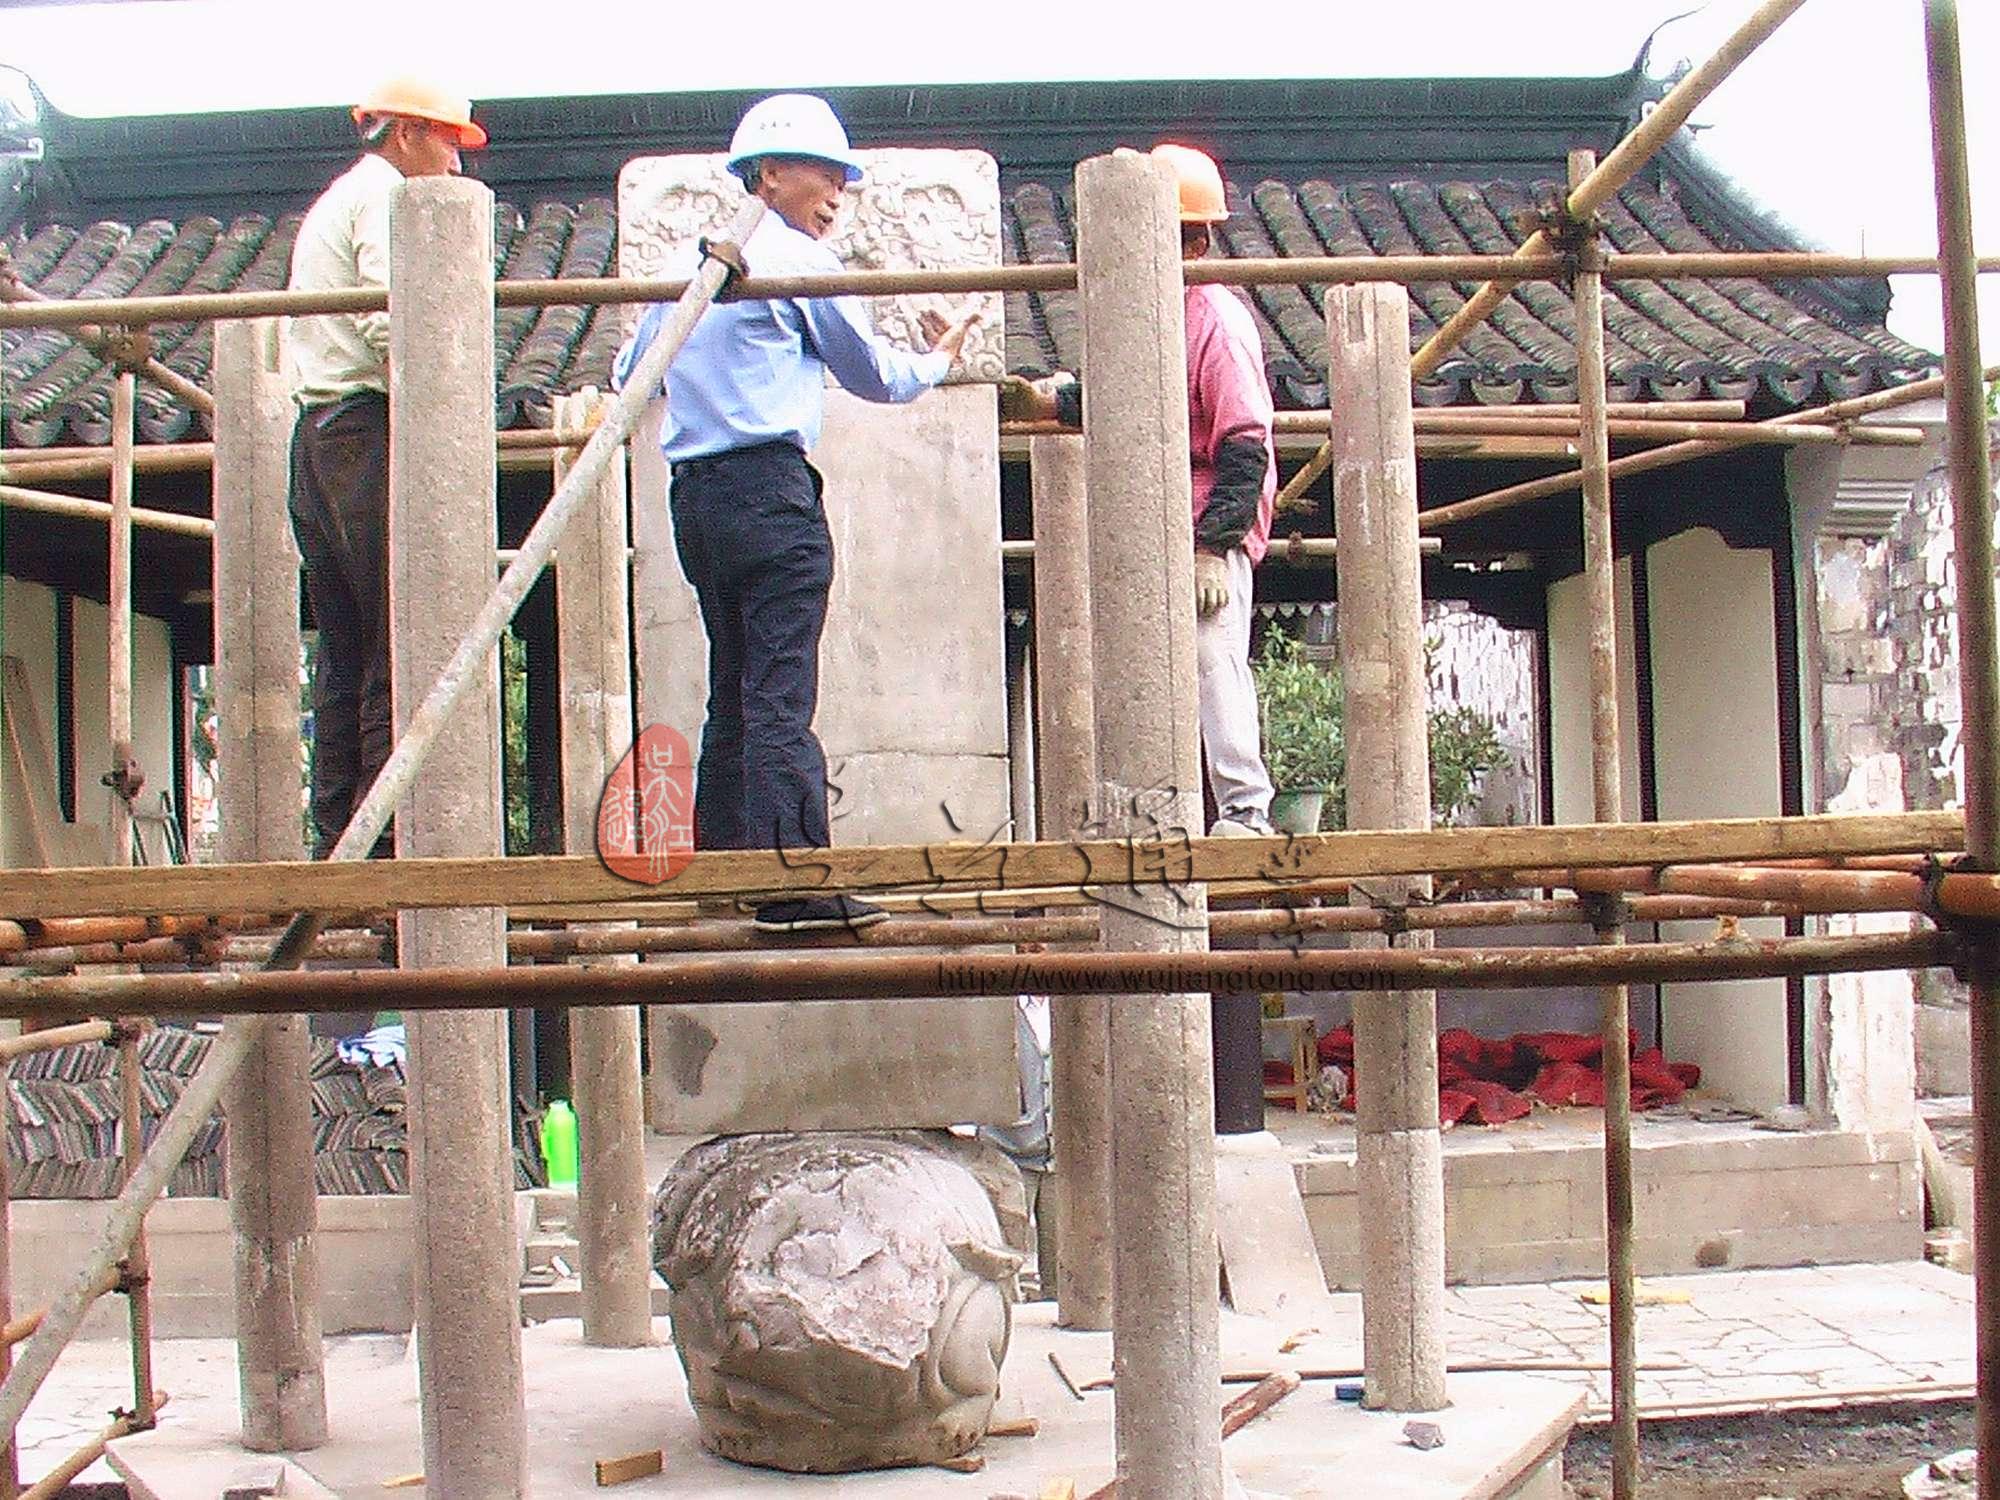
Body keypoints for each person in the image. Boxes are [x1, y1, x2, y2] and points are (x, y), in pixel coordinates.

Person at [615, 93, 978, 932]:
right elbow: (875, 376)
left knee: (734, 688)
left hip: (696, 499)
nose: (838, 193)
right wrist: (937, 356)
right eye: (826, 173)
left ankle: (726, 867)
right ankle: (791, 885)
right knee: (777, 690)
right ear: (769, 174)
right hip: (770, 493)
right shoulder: (793, 260)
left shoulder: (685, 268)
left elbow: (632, 375)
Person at [1005, 143, 1278, 837]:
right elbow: (1123, 402)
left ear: (1191, 238)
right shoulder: (1152, 316)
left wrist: (1213, 548)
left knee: (1213, 659)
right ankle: (1152, 811)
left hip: (1203, 523)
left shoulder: (1212, 314)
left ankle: (1246, 812)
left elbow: (1244, 440)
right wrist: (1048, 401)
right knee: (1145, 672)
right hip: (1151, 521)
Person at [284, 77, 487, 859]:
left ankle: (340, 833)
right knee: (392, 640)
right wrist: (444, 417)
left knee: (346, 645)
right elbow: (389, 318)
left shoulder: (341, 195)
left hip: (320, 436)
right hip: (361, 432)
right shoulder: (383, 199)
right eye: (448, 143)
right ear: (405, 133)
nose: (456, 168)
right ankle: (384, 843)